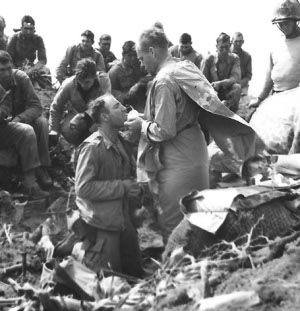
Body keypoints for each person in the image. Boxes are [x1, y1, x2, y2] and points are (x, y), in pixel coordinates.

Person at [124, 28, 261, 244]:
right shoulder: (185, 67)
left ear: (152, 51)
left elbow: (164, 130)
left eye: (142, 58)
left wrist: (141, 125)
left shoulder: (163, 80)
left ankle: (178, 274)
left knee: (176, 225)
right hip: (196, 148)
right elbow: (183, 111)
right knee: (200, 220)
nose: (141, 64)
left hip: (177, 158)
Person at [74, 93, 144, 277]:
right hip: (103, 226)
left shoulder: (120, 141)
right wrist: (123, 187)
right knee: (112, 280)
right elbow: (83, 188)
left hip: (122, 219)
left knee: (135, 274)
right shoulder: (92, 147)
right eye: (116, 106)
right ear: (105, 117)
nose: (123, 108)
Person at [0, 51, 51, 195]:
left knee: (41, 123)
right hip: (3, 127)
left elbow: (36, 106)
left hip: (18, 122)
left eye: (8, 68)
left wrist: (19, 119)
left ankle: (41, 168)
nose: (6, 73)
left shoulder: (20, 78)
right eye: (1, 70)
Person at [249, 0, 300, 109]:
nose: (283, 27)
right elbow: (269, 79)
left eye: (286, 23)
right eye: (280, 24)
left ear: (296, 20)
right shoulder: (276, 46)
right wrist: (260, 99)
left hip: (296, 102)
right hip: (277, 97)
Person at [49, 58, 111, 147]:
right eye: (80, 81)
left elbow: (106, 106)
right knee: (67, 129)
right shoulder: (69, 84)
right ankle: (77, 147)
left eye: (87, 82)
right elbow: (56, 107)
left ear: (94, 77)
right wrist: (54, 130)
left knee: (98, 135)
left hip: (99, 117)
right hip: (77, 115)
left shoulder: (103, 81)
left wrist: (88, 122)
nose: (83, 85)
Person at [6, 15, 51, 89]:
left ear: (34, 29)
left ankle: (47, 91)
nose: (28, 32)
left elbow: (42, 60)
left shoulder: (38, 39)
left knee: (46, 70)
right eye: (26, 29)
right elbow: (8, 60)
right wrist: (19, 72)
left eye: (31, 29)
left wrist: (33, 69)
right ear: (21, 28)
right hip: (16, 67)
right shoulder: (13, 39)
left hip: (32, 68)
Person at [201, 32, 242, 113]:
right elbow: (201, 82)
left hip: (227, 92)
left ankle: (231, 115)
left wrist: (221, 83)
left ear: (230, 45)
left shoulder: (235, 58)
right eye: (221, 48)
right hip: (211, 93)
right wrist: (211, 89)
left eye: (226, 47)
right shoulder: (208, 60)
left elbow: (235, 77)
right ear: (217, 47)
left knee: (237, 87)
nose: (224, 50)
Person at [109, 41, 150, 113]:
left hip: (144, 102)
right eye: (130, 55)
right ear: (123, 55)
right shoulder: (115, 71)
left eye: (135, 55)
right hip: (126, 105)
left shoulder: (141, 64)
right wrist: (124, 96)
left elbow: (152, 74)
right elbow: (109, 91)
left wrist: (138, 84)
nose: (133, 58)